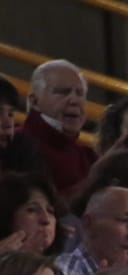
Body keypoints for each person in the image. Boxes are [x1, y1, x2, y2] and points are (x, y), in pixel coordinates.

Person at [22, 61, 94, 198]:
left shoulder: (88, 155)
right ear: (34, 101)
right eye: (62, 92)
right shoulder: (16, 145)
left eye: (80, 94)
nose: (75, 100)